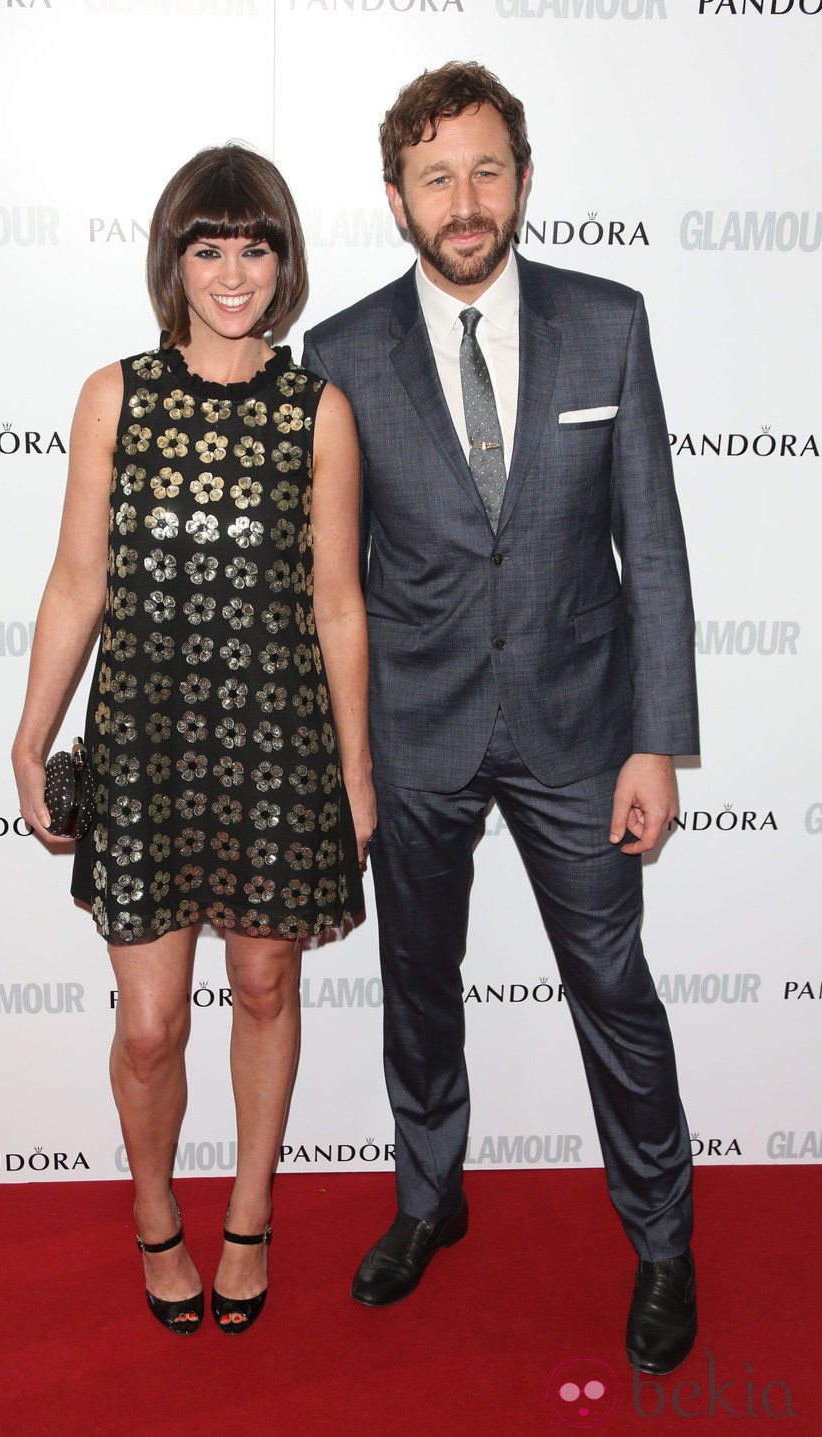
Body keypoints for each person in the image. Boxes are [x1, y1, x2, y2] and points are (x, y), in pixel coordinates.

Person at [302, 61, 699, 1375]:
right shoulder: (342, 354)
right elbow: (335, 583)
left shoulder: (609, 324)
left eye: (485, 169)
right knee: (415, 990)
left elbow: (655, 544)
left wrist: (657, 739)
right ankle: (429, 1199)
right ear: (397, 197)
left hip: (585, 729)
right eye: (435, 178)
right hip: (414, 734)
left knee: (614, 992)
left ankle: (661, 1238)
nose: (463, 202)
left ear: (523, 176)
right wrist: (349, 764)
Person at [13, 144, 374, 1337]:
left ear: (285, 262)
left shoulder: (317, 412)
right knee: (150, 1024)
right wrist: (32, 735)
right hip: (148, 746)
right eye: (209, 247)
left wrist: (356, 777)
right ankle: (156, 1211)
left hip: (276, 748)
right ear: (174, 258)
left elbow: (336, 605)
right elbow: (77, 583)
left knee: (266, 983)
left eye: (255, 246)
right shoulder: (114, 396)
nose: (232, 273)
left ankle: (251, 1216)